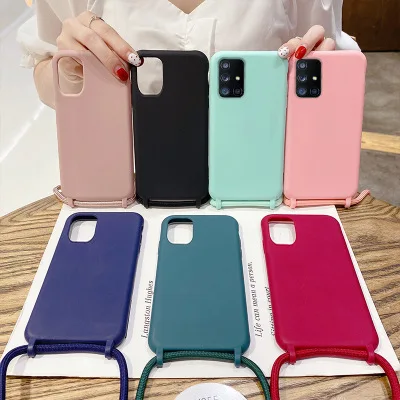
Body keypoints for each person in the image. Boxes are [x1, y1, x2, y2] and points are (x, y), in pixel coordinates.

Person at [17, 0, 359, 108]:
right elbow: (45, 62)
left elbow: (329, 56)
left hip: (265, 186)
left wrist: (319, 81)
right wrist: (68, 74)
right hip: (123, 188)